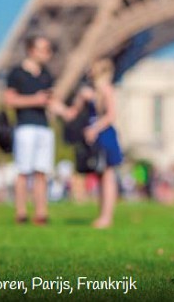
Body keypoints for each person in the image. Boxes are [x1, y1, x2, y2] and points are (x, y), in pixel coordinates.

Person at [54, 58, 123, 228]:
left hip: (103, 135)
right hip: (93, 135)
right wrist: (60, 107)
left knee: (107, 175)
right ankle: (103, 215)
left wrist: (94, 128)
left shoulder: (106, 90)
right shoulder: (88, 92)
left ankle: (106, 217)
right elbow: (73, 113)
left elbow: (111, 115)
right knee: (100, 175)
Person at [4, 35, 55, 225]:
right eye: (43, 49)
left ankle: (41, 213)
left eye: (48, 49)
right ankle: (21, 212)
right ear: (31, 50)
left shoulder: (47, 74)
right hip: (25, 126)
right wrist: (35, 99)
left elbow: (51, 102)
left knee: (42, 171)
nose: (47, 54)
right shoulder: (16, 73)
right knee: (23, 171)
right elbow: (9, 100)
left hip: (44, 127)